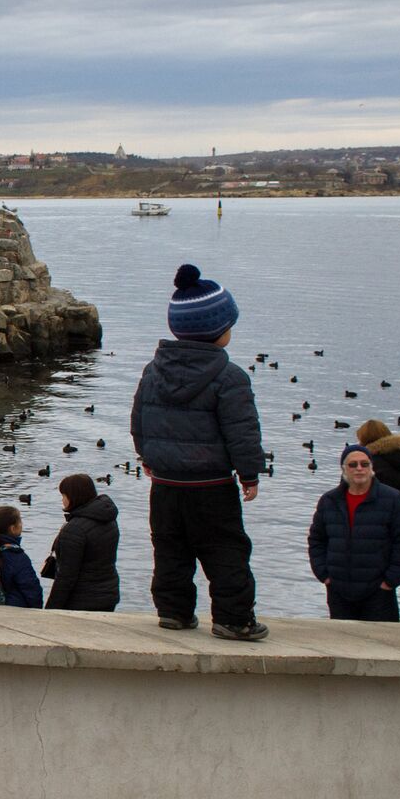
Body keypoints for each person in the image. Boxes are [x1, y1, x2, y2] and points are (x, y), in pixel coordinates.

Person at [130, 264, 267, 641]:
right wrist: (250, 473)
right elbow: (242, 432)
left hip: (166, 485)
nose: (231, 332)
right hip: (211, 485)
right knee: (226, 551)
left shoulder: (154, 370)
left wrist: (148, 457)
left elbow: (139, 419)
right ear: (214, 329)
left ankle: (174, 613)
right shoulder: (229, 376)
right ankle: (234, 619)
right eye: (228, 325)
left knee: (170, 549)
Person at [306, 444, 400, 621]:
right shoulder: (329, 501)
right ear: (344, 469)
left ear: (371, 468)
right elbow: (317, 540)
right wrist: (324, 574)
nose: (359, 469)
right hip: (339, 590)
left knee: (381, 644)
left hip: (378, 591)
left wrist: (391, 580)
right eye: (353, 465)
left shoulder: (393, 499)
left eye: (364, 464)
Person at [43, 474, 120, 612]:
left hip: (81, 598)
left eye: (64, 495)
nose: (62, 500)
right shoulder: (108, 520)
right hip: (108, 592)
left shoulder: (75, 529)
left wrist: (51, 608)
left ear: (73, 496)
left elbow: (67, 576)